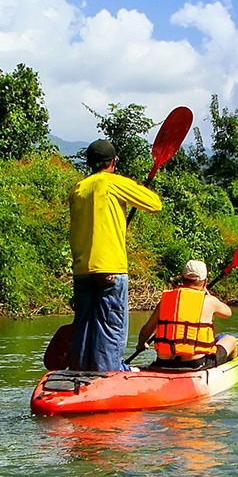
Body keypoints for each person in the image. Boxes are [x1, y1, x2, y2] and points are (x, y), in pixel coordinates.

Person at [67, 139, 163, 371]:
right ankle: (109, 372)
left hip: (81, 270)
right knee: (110, 326)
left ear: (89, 163)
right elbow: (154, 203)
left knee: (84, 326)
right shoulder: (113, 182)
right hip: (110, 268)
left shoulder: (77, 189)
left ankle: (80, 372)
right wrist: (139, 187)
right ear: (114, 162)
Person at [135, 259, 237, 369]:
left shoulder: (166, 300)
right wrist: (207, 293)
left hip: (164, 362)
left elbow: (146, 330)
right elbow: (228, 313)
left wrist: (141, 344)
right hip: (195, 363)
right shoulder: (209, 301)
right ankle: (228, 369)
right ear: (205, 282)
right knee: (230, 340)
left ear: (182, 278)